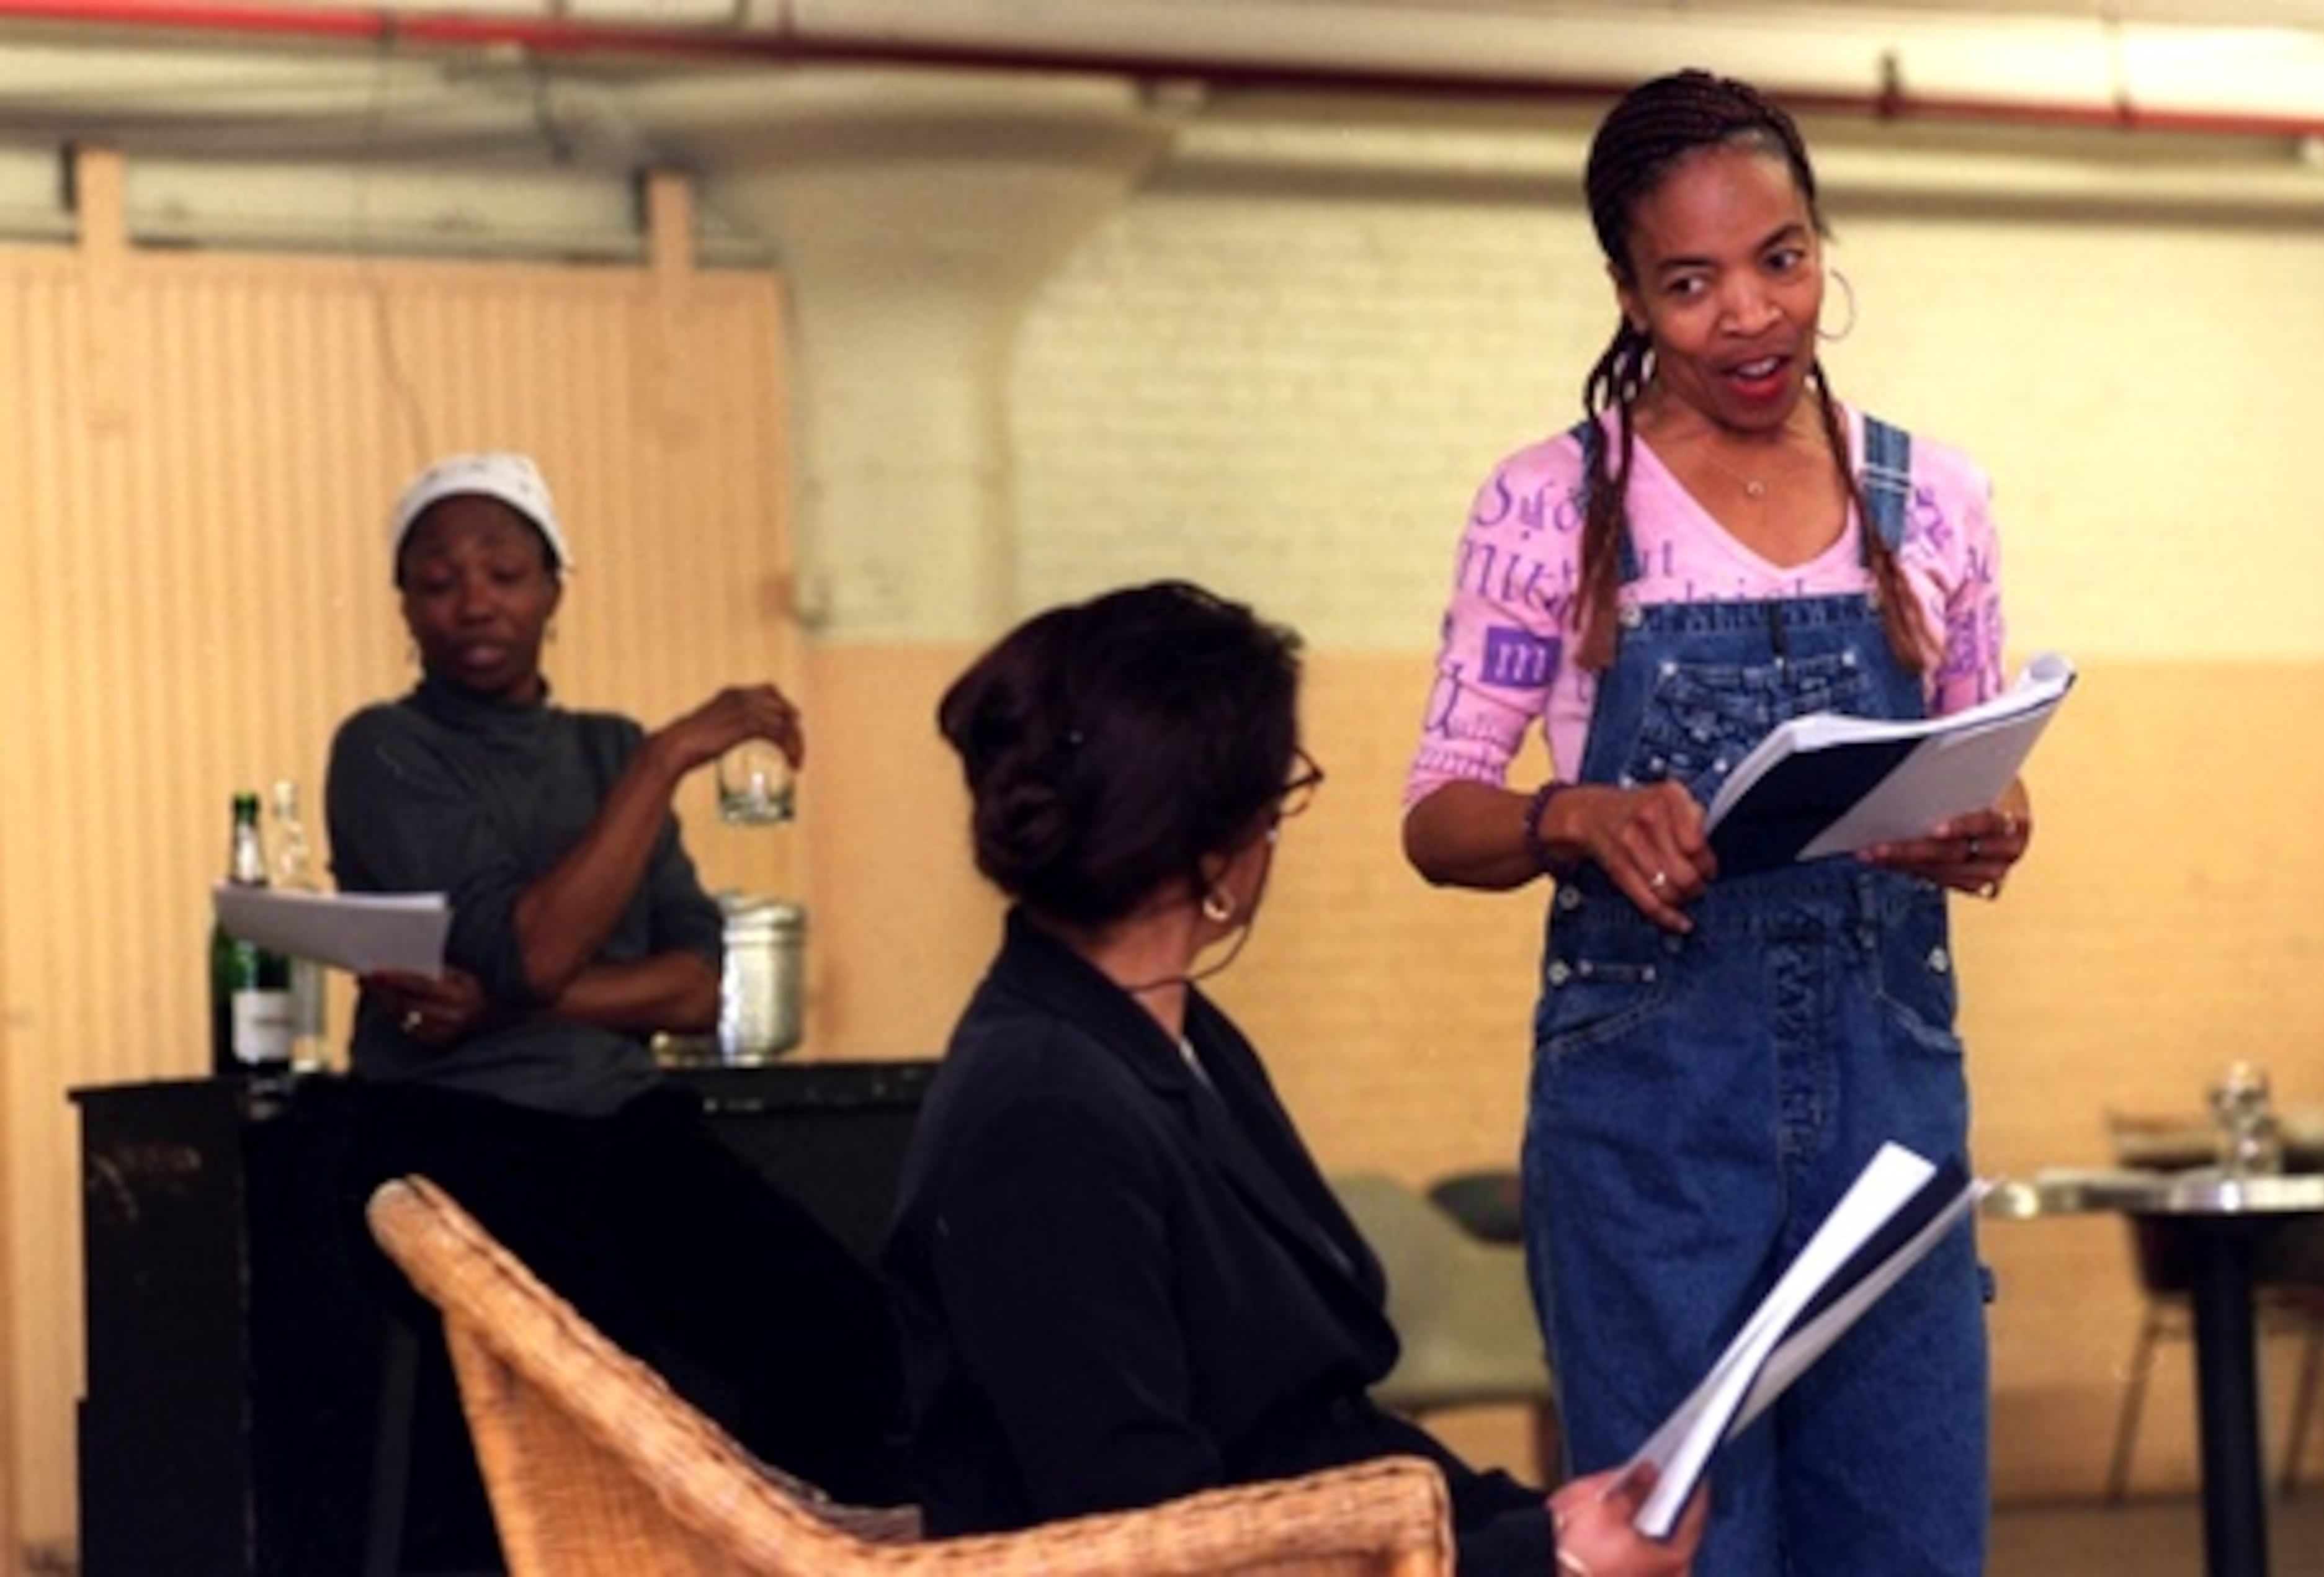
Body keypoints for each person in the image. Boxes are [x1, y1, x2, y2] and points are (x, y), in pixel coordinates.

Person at [1400, 71, 2027, 1575]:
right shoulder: (1553, 504)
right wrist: (1571, 812)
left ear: (1823, 246)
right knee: (1674, 1544)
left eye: (1783, 260)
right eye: (1691, 283)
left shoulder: (1934, 497)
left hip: (1893, 1101)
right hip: (1649, 1121)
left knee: (1911, 1538)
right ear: (1626, 290)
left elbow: (1994, 766)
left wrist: (1985, 827)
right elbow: (1438, 815)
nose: (1748, 314)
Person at [883, 579, 1705, 1577]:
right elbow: (1153, 1538)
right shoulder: (1043, 1114)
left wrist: (1535, 1521)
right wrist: (1541, 1562)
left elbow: (1309, 1430)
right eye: (1282, 797)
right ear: (1220, 852)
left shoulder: (1171, 1037)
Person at [326, 452, 908, 1561]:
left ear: (555, 585)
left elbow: (695, 985)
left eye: (504, 569)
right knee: (581, 1380)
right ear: (404, 604)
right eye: (440, 578)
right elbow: (539, 950)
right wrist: (668, 758)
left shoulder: (597, 745)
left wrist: (494, 1008)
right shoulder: (387, 748)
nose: (475, 599)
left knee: (849, 1338)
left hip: (621, 1123)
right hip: (455, 1136)